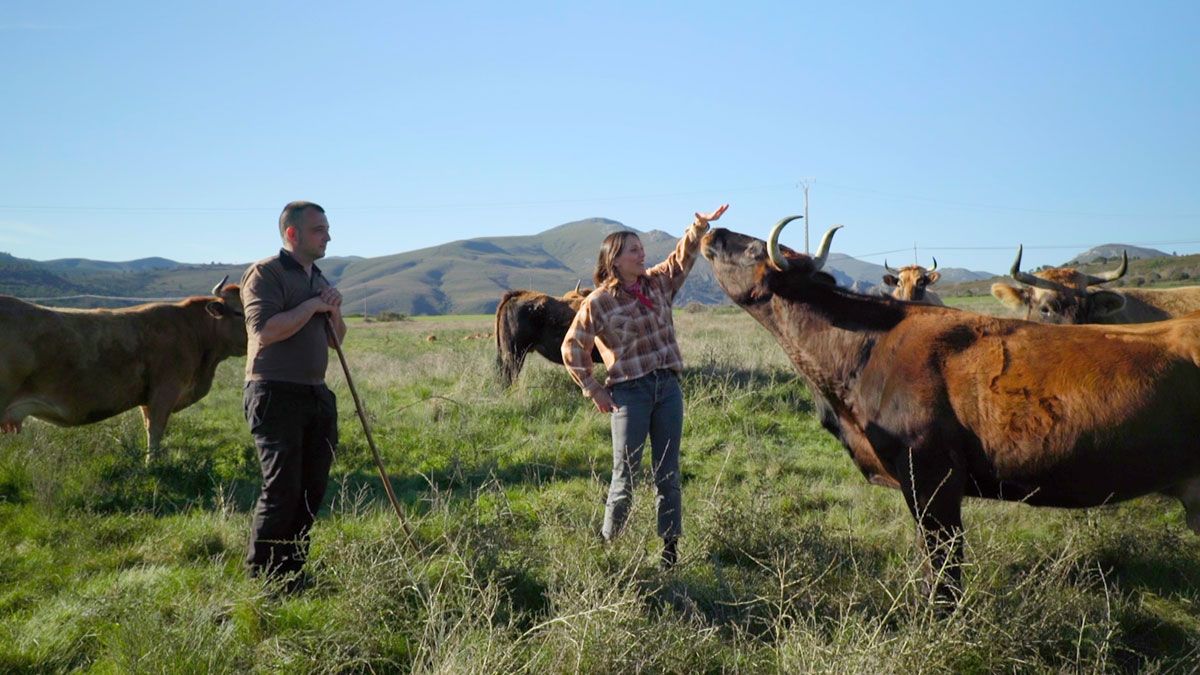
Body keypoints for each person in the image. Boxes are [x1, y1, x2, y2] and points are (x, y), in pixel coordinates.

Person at [561, 204, 728, 569]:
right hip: (629, 395)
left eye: (641, 248)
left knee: (668, 474)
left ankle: (669, 554)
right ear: (615, 260)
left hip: (667, 389)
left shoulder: (656, 283)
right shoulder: (599, 302)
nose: (642, 254)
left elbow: (680, 260)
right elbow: (572, 347)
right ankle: (606, 552)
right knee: (626, 476)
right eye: (633, 250)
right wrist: (594, 388)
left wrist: (698, 227)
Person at [240, 200, 347, 592]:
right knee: (282, 488)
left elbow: (337, 341)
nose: (328, 236)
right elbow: (264, 330)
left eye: (327, 228)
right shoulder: (265, 274)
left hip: (315, 393)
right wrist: (312, 305)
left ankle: (292, 573)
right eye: (319, 229)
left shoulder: (319, 278)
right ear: (292, 233)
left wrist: (332, 312)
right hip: (273, 391)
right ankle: (261, 580)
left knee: (311, 488)